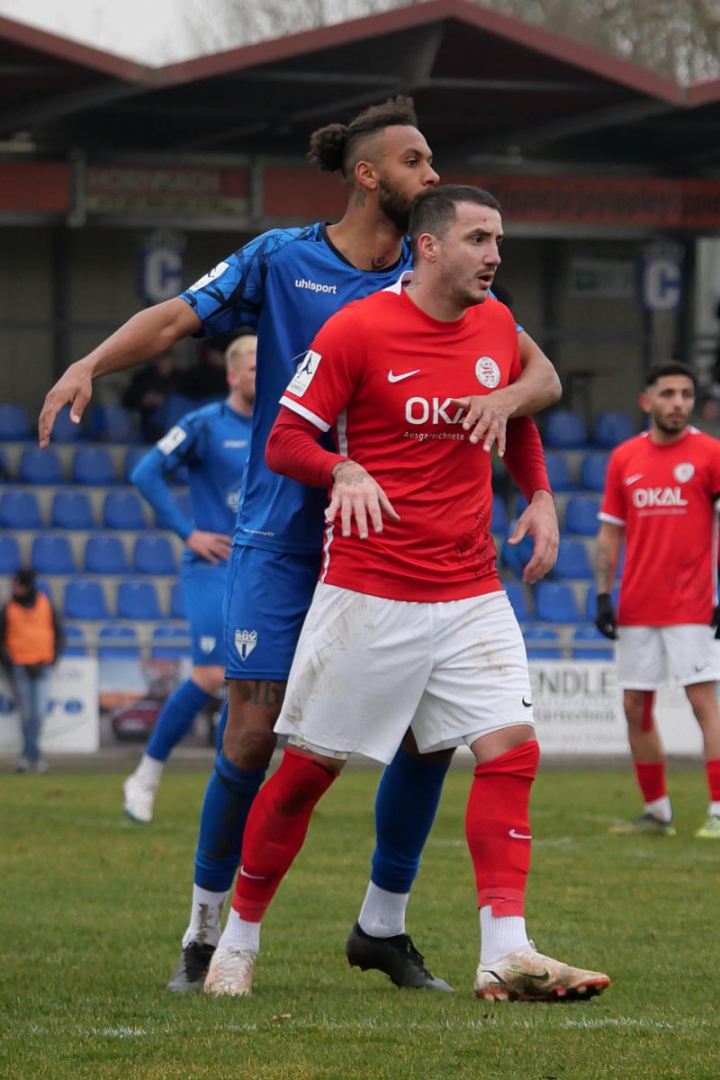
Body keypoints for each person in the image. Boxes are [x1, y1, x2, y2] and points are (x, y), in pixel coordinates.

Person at [38, 96, 561, 995]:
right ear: (368, 174)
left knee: (431, 741)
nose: (432, 174)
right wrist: (91, 362)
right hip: (287, 531)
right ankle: (206, 935)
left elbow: (517, 380)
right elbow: (176, 317)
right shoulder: (282, 259)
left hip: (400, 544)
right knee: (252, 736)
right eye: (415, 161)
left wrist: (539, 489)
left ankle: (382, 927)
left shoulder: (448, 278)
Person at [202, 185, 609, 1001]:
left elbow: (517, 417)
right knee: (308, 773)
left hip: (470, 587)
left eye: (499, 239)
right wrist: (342, 468)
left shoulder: (495, 324)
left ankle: (507, 951)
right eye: (479, 238)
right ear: (428, 247)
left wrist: (539, 495)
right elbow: (285, 439)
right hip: (369, 591)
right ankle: (236, 943)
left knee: (511, 750)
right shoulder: (356, 329)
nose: (495, 254)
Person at [122, 333, 256, 823]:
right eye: (254, 368)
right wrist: (187, 532)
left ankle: (230, 796)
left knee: (248, 684)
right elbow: (145, 472)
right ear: (232, 375)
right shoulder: (205, 423)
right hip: (212, 566)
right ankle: (145, 776)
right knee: (210, 674)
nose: (263, 376)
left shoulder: (281, 424)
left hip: (260, 570)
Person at [595, 361, 720, 839]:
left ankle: (719, 810)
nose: (679, 403)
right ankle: (657, 813)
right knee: (634, 706)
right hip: (637, 605)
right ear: (647, 401)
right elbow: (611, 532)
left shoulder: (711, 454)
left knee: (703, 702)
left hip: (693, 604)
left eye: (686, 394)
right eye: (668, 394)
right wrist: (603, 594)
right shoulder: (625, 457)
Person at [0, 569, 64, 774]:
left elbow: (59, 632)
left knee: (38, 712)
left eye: (18, 584)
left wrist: (52, 659)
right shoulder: (8, 607)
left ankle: (28, 755)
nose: (14, 588)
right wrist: (9, 662)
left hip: (42, 665)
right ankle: (33, 755)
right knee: (27, 713)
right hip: (19, 667)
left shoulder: (45, 604)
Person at [122, 351, 180, 442]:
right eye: (161, 360)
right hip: (149, 423)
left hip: (175, 423)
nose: (164, 365)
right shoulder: (144, 378)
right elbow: (128, 400)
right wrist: (146, 400)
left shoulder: (180, 378)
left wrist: (166, 402)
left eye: (168, 361)